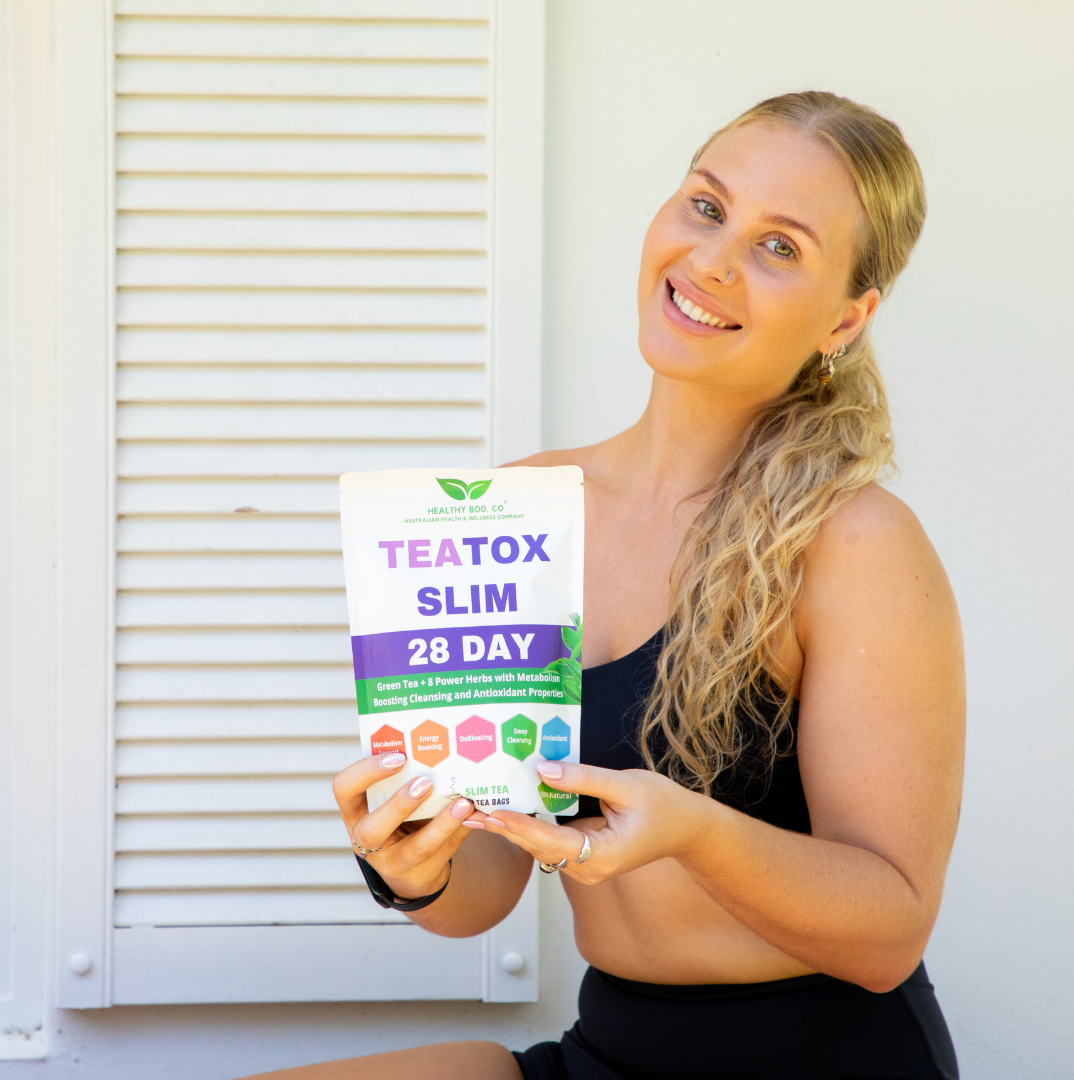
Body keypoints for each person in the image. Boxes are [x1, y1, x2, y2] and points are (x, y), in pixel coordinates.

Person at [241, 91, 965, 1080]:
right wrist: (412, 862)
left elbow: (888, 931)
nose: (712, 260)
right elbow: (486, 884)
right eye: (707, 207)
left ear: (847, 317)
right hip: (610, 1052)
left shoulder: (854, 542)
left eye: (779, 247)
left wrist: (697, 835)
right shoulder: (514, 507)